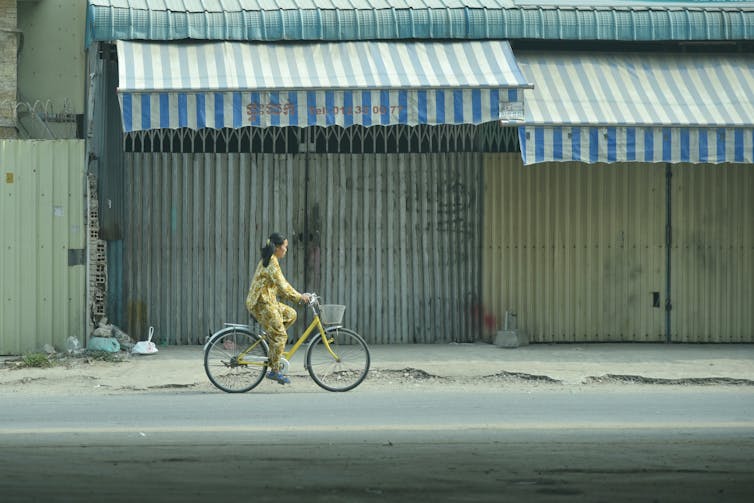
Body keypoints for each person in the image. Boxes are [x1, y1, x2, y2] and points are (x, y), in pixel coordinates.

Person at [245, 232, 311, 384]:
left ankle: (273, 341)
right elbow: (283, 286)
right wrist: (300, 297)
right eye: (285, 247)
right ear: (277, 248)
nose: (286, 250)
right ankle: (275, 371)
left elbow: (283, 284)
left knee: (291, 314)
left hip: (269, 301)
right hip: (261, 303)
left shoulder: (271, 260)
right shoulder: (271, 263)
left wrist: (299, 296)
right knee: (281, 336)